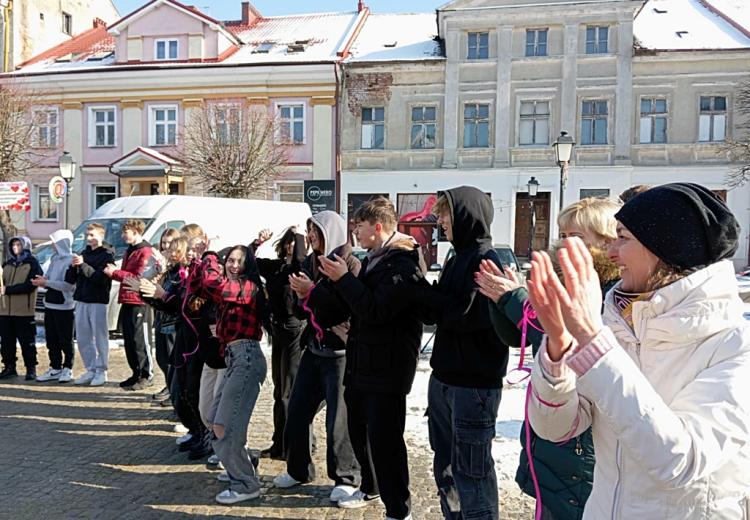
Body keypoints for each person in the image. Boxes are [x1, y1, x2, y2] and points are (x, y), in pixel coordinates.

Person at [526, 183, 750, 518]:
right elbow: (556, 428)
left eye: (623, 238)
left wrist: (591, 339)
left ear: (666, 248)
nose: (611, 251)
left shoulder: (734, 344)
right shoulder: (620, 322)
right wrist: (558, 350)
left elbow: (680, 462)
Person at [476, 197, 621, 520]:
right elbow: (521, 335)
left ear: (608, 239)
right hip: (552, 430)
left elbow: (567, 339)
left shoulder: (610, 292)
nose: (566, 244)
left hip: (581, 446)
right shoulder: (566, 282)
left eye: (578, 237)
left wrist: (512, 297)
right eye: (563, 235)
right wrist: (500, 298)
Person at [318, 197, 425, 520]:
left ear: (377, 228)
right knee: (361, 430)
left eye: (360, 226)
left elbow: (376, 309)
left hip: (388, 369)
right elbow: (357, 305)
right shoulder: (376, 258)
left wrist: (344, 280)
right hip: (364, 363)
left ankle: (398, 509)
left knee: (387, 442)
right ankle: (371, 486)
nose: (355, 232)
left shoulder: (403, 263)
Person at [416, 186, 505, 520]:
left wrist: (428, 295)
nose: (440, 220)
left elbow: (460, 315)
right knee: (447, 468)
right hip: (445, 380)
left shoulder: (486, 260)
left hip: (473, 387)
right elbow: (435, 312)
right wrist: (418, 281)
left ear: (466, 216)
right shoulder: (457, 257)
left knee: (473, 474)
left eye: (445, 213)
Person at [273, 210, 361, 504]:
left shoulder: (350, 264)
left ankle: (347, 477)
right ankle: (298, 470)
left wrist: (311, 292)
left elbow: (344, 310)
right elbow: (302, 312)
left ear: (330, 232)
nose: (311, 237)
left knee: (338, 421)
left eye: (316, 231)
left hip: (340, 353)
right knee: (296, 411)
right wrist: (299, 296)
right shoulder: (311, 262)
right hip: (314, 349)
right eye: (310, 231)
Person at [198, 244, 267, 505]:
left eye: (239, 261)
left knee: (225, 426)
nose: (233, 265)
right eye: (230, 260)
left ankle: (246, 484)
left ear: (248, 265)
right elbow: (202, 287)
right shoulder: (233, 287)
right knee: (215, 421)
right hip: (234, 359)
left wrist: (208, 258)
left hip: (247, 359)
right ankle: (245, 465)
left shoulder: (249, 287)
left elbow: (213, 284)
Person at [253, 227, 307, 460]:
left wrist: (300, 236)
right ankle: (279, 443)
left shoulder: (301, 269)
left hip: (296, 330)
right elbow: (248, 261)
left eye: (295, 243)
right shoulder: (276, 268)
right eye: (288, 242)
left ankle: (294, 445)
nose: (291, 246)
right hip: (278, 331)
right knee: (279, 390)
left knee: (290, 391)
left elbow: (301, 259)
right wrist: (257, 242)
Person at [104, 219, 156, 390]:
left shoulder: (145, 251)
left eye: (125, 232)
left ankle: (147, 374)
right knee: (129, 340)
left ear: (135, 231)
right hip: (127, 299)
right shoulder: (130, 250)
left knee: (140, 340)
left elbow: (139, 277)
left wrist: (115, 273)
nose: (122, 235)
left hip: (139, 300)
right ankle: (136, 373)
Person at [65, 223, 115, 386]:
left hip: (98, 300)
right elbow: (70, 280)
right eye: (87, 235)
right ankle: (91, 368)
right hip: (81, 299)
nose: (88, 238)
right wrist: (73, 267)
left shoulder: (107, 254)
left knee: (100, 336)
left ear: (101, 236)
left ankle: (102, 370)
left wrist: (82, 265)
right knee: (82, 337)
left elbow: (99, 278)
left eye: (92, 235)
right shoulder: (83, 253)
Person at [33, 230, 76, 383]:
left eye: (54, 242)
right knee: (51, 340)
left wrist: (46, 283)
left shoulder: (71, 261)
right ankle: (55, 367)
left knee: (65, 339)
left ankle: (68, 368)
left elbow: (68, 286)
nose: (52, 245)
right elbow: (51, 278)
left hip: (64, 306)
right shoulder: (55, 258)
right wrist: (43, 279)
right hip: (50, 304)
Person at [0, 236, 43, 380]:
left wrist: (8, 290)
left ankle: (31, 368)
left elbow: (30, 285)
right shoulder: (8, 264)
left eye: (18, 244)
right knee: (6, 341)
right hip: (5, 310)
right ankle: (9, 366)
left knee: (27, 342)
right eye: (13, 245)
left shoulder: (32, 263)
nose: (15, 247)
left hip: (24, 310)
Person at [152, 227, 180, 401]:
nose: (166, 246)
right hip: (161, 317)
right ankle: (169, 386)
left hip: (172, 321)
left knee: (171, 357)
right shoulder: (163, 265)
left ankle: (174, 391)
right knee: (161, 356)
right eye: (164, 242)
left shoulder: (178, 268)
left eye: (170, 243)